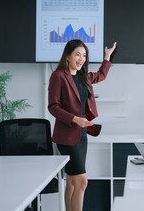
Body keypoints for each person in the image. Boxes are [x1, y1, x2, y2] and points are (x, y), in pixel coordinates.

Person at [48, 40, 116, 211]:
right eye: (77, 54)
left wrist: (107, 57)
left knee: (72, 182)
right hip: (66, 136)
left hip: (82, 135)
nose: (81, 59)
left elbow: (101, 75)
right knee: (82, 182)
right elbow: (53, 107)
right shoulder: (58, 76)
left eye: (84, 56)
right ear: (68, 56)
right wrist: (75, 119)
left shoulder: (83, 77)